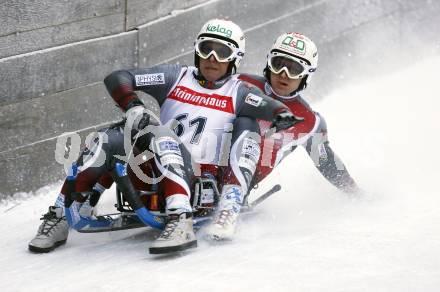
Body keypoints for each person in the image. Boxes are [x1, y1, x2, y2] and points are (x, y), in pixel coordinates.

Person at [28, 19, 298, 254]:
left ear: (234, 57)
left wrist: (282, 114)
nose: (212, 58)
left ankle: (181, 220)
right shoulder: (175, 77)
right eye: (207, 49)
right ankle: (60, 214)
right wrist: (133, 106)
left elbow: (268, 105)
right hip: (153, 171)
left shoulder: (238, 92)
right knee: (110, 136)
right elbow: (118, 77)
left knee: (162, 133)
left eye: (222, 51)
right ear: (197, 51)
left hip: (199, 183)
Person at [236, 32, 359, 195]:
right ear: (269, 63)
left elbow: (327, 162)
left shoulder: (308, 121)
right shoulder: (239, 83)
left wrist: (355, 193)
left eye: (294, 69)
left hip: (241, 186)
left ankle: (235, 193)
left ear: (306, 75)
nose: (284, 74)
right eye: (278, 64)